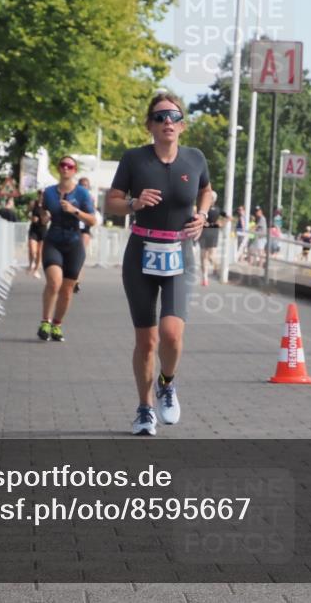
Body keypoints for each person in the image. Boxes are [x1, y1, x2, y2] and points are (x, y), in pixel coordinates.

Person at [106, 92, 213, 436]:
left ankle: (167, 383)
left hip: (179, 253)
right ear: (149, 125)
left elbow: (207, 190)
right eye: (160, 116)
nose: (167, 121)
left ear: (182, 125)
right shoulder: (135, 159)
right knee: (147, 341)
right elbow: (112, 203)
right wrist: (134, 202)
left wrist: (203, 213)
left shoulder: (195, 158)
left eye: (174, 116)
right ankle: (144, 409)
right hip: (141, 252)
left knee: (171, 333)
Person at [37, 156, 96, 342]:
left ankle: (57, 324)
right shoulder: (49, 192)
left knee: (67, 289)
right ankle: (45, 321)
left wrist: (74, 211)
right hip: (53, 240)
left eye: (69, 166)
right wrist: (44, 217)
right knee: (54, 282)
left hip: (74, 243)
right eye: (62, 165)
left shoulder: (82, 194)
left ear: (74, 170)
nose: (65, 168)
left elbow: (93, 221)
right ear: (58, 168)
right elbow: (43, 214)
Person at [74, 176, 97, 294]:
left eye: (86, 186)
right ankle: (70, 277)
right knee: (70, 255)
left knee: (81, 254)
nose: (83, 188)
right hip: (73, 229)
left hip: (85, 230)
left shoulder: (90, 199)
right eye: (81, 185)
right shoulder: (73, 197)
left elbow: (93, 217)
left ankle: (76, 280)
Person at [198, 194, 222, 287]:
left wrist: (220, 223)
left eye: (211, 198)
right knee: (203, 256)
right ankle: (205, 278)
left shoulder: (218, 209)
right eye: (208, 197)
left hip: (213, 233)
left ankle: (217, 268)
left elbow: (228, 217)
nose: (209, 199)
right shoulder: (203, 208)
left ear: (214, 200)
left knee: (211, 256)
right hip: (203, 233)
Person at [27, 192, 46, 278]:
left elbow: (49, 218)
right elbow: (27, 213)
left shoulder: (47, 205)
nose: (41, 196)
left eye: (43, 195)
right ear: (38, 195)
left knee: (39, 252)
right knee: (32, 250)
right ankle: (31, 263)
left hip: (43, 230)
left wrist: (44, 218)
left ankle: (36, 270)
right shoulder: (33, 203)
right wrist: (31, 218)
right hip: (33, 230)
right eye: (40, 194)